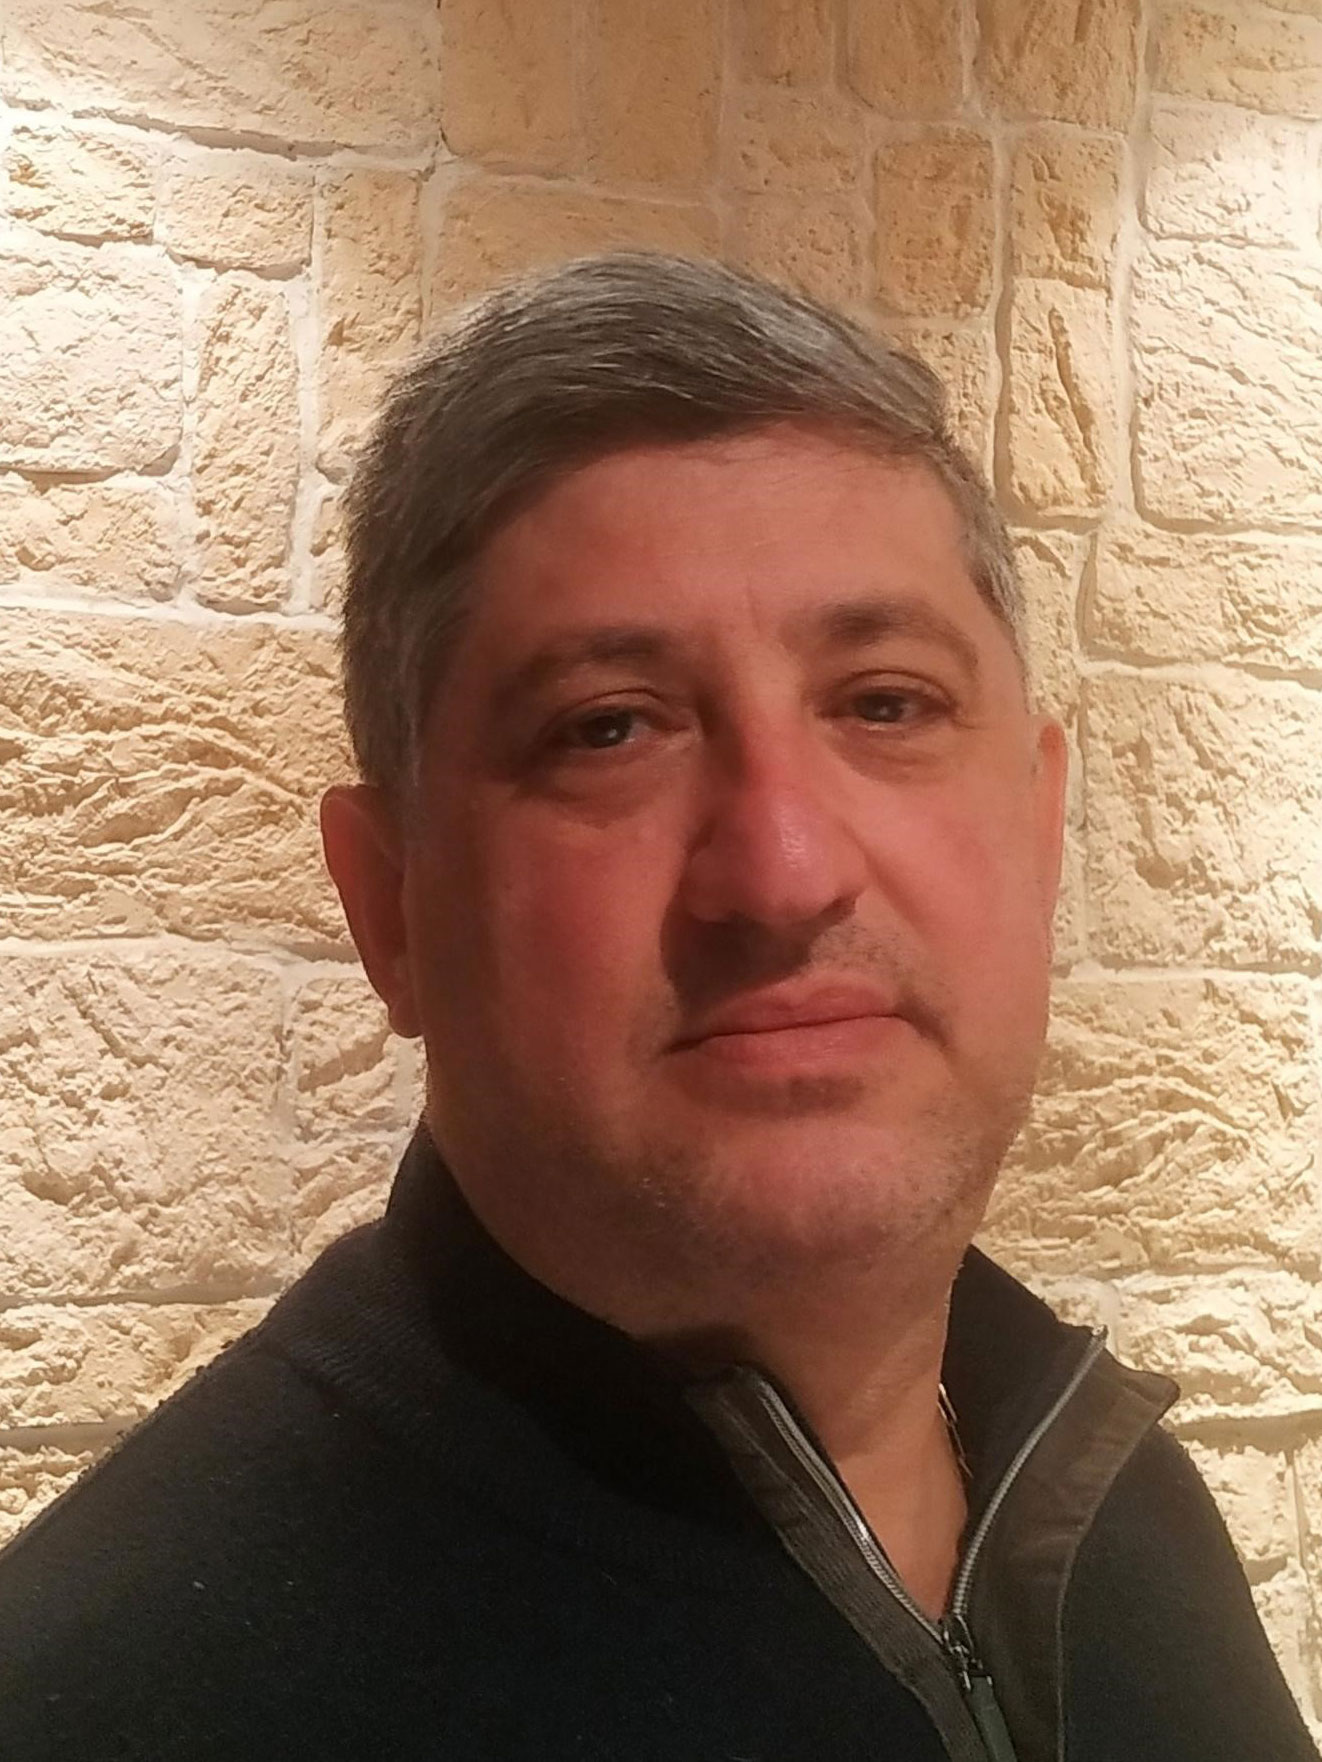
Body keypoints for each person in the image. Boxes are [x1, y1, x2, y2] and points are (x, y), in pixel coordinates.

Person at [0, 254, 1314, 1762]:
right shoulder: (116, 1702)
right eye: (608, 729)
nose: (784, 871)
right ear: (390, 908)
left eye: (884, 701)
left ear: (1040, 826)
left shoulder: (1121, 1513)